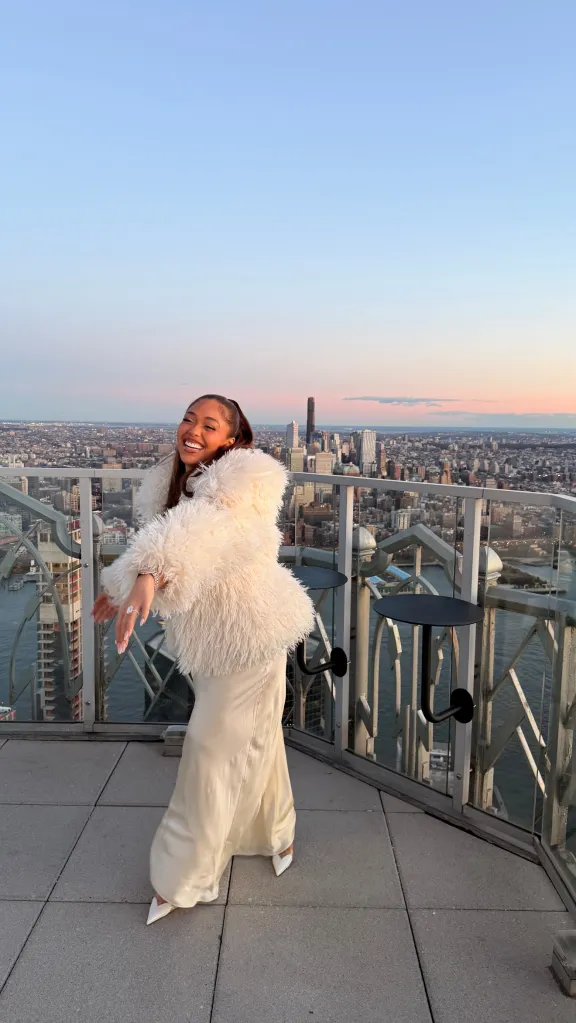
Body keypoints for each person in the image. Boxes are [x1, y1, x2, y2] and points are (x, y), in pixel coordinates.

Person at [92, 395, 314, 925]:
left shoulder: (241, 489)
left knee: (209, 747)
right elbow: (164, 533)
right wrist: (126, 583)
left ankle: (182, 875)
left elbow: (200, 534)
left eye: (209, 425)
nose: (192, 430)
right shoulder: (175, 480)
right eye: (189, 418)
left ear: (232, 440)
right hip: (215, 640)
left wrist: (149, 574)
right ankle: (274, 831)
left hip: (251, 638)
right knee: (257, 737)